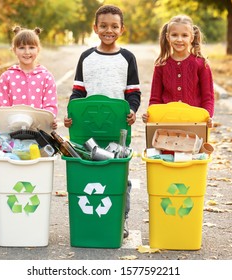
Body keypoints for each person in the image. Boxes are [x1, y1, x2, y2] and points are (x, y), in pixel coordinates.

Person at [63, 4, 141, 238]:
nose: (109, 30)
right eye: (104, 26)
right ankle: (90, 218)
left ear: (122, 29)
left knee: (119, 177)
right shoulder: (86, 57)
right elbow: (78, 93)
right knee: (89, 173)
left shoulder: (128, 58)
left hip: (118, 131)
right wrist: (71, 116)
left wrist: (133, 111)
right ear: (95, 28)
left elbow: (133, 93)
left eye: (114, 26)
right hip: (88, 130)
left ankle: (120, 219)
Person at [142, 15, 214, 127]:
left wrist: (207, 116)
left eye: (184, 35)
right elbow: (155, 98)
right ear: (168, 37)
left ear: (191, 37)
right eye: (174, 35)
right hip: (166, 124)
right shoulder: (161, 65)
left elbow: (207, 98)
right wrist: (151, 114)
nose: (179, 39)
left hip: (195, 123)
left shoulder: (201, 64)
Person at [0, 26, 58, 129]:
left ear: (38, 49)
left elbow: (50, 107)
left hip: (39, 132)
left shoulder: (46, 77)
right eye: (21, 48)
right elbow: (2, 108)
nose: (27, 52)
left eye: (31, 47)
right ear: (14, 50)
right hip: (12, 132)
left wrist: (51, 120)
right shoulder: (6, 77)